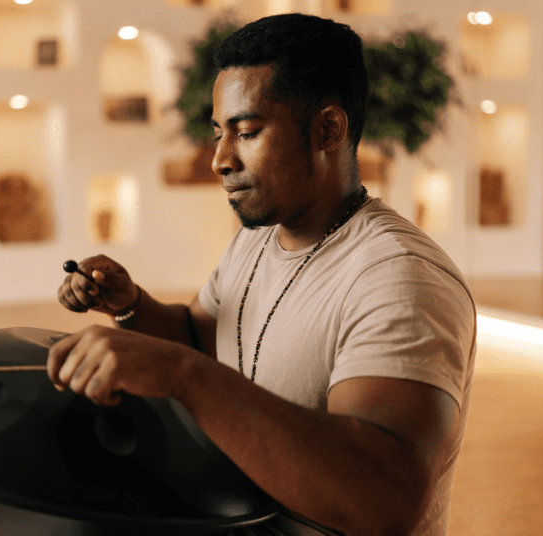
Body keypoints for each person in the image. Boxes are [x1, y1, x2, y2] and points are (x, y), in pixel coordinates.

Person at [49, 13, 476, 536]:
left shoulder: (400, 278)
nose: (220, 160)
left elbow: (384, 502)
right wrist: (130, 304)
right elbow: (198, 338)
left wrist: (187, 378)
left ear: (328, 129)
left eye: (247, 132)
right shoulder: (258, 237)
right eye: (218, 133)